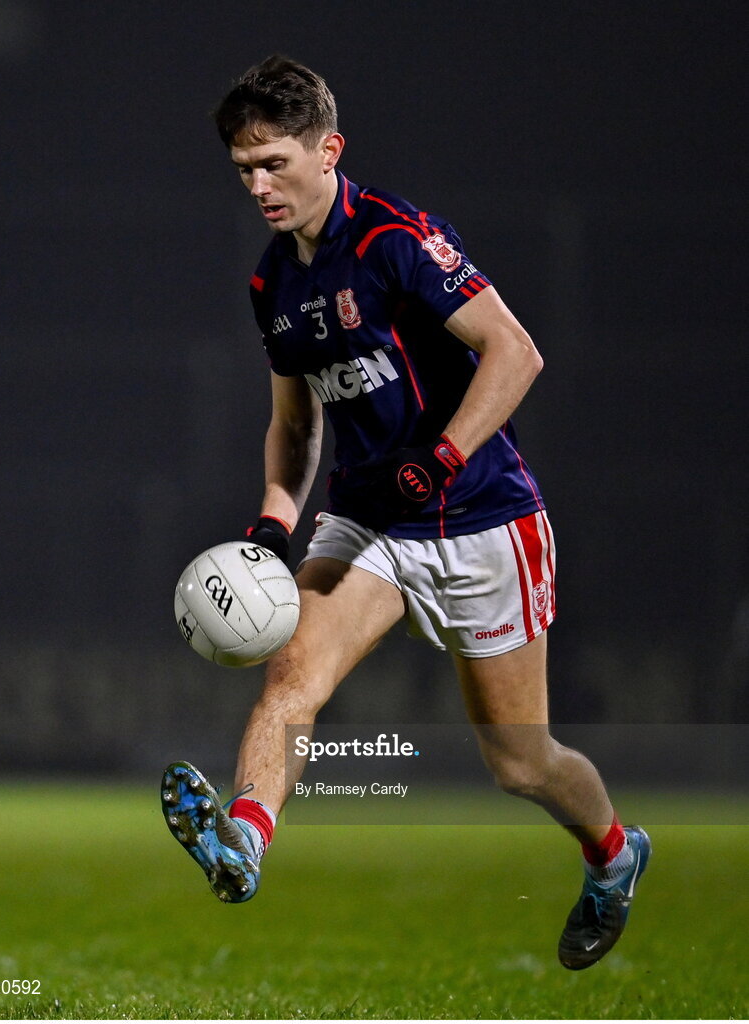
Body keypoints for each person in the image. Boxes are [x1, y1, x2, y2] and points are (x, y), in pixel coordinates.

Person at [161, 55, 649, 970]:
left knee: (522, 764)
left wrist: (442, 459)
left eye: (274, 164)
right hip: (369, 524)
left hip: (484, 518)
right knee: (290, 677)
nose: (259, 186)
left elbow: (515, 353)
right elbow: (295, 422)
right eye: (244, 171)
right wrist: (274, 524)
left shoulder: (397, 239)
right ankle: (246, 842)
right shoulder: (275, 284)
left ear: (328, 149)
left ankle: (615, 856)